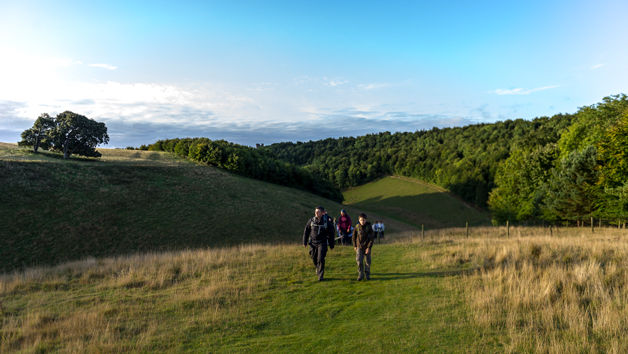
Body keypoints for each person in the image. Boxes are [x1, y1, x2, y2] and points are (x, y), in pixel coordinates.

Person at [303, 206, 335, 281]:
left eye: (318, 212)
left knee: (320, 258)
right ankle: (317, 267)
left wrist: (331, 244)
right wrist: (304, 241)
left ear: (322, 213)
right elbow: (306, 231)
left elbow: (331, 234)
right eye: (315, 211)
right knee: (313, 257)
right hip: (313, 243)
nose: (316, 213)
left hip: (322, 242)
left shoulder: (327, 222)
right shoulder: (311, 221)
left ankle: (320, 275)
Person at [353, 213, 374, 281]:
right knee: (359, 260)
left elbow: (372, 238)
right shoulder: (356, 227)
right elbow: (354, 237)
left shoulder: (369, 227)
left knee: (367, 260)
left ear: (366, 220)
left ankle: (367, 273)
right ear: (359, 220)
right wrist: (355, 245)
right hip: (359, 246)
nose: (362, 221)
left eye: (364, 220)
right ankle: (360, 274)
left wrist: (368, 247)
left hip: (367, 246)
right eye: (361, 220)